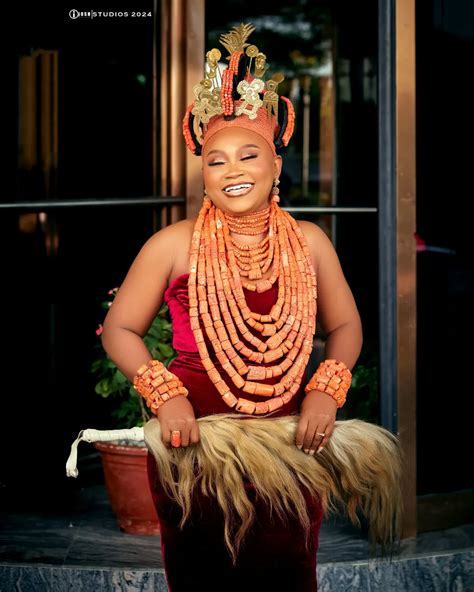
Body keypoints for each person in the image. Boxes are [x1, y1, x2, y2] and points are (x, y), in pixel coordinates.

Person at [101, 23, 364, 591]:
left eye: (249, 155)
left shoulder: (310, 242)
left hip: (289, 447)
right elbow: (119, 328)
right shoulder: (173, 244)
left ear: (276, 165)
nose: (233, 171)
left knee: (288, 576)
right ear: (204, 173)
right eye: (216, 161)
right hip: (193, 447)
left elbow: (345, 324)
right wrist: (165, 396)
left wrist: (325, 389)